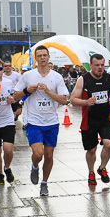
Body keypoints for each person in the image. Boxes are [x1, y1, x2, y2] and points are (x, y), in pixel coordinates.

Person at [13, 45, 69, 196]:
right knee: (38, 153)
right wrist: (27, 91)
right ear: (35, 58)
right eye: (40, 56)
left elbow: (64, 100)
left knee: (49, 155)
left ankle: (44, 183)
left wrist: (48, 91)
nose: (42, 58)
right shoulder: (28, 76)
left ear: (49, 57)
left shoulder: (56, 77)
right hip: (33, 120)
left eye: (45, 55)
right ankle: (35, 166)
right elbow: (15, 96)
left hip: (51, 121)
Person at [70, 54, 110, 186]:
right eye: (97, 65)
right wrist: (86, 102)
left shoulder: (109, 78)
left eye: (102, 65)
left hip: (105, 119)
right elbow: (73, 99)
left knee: (109, 144)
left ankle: (102, 168)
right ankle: (91, 172)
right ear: (90, 66)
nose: (100, 68)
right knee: (91, 150)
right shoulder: (83, 79)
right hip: (89, 120)